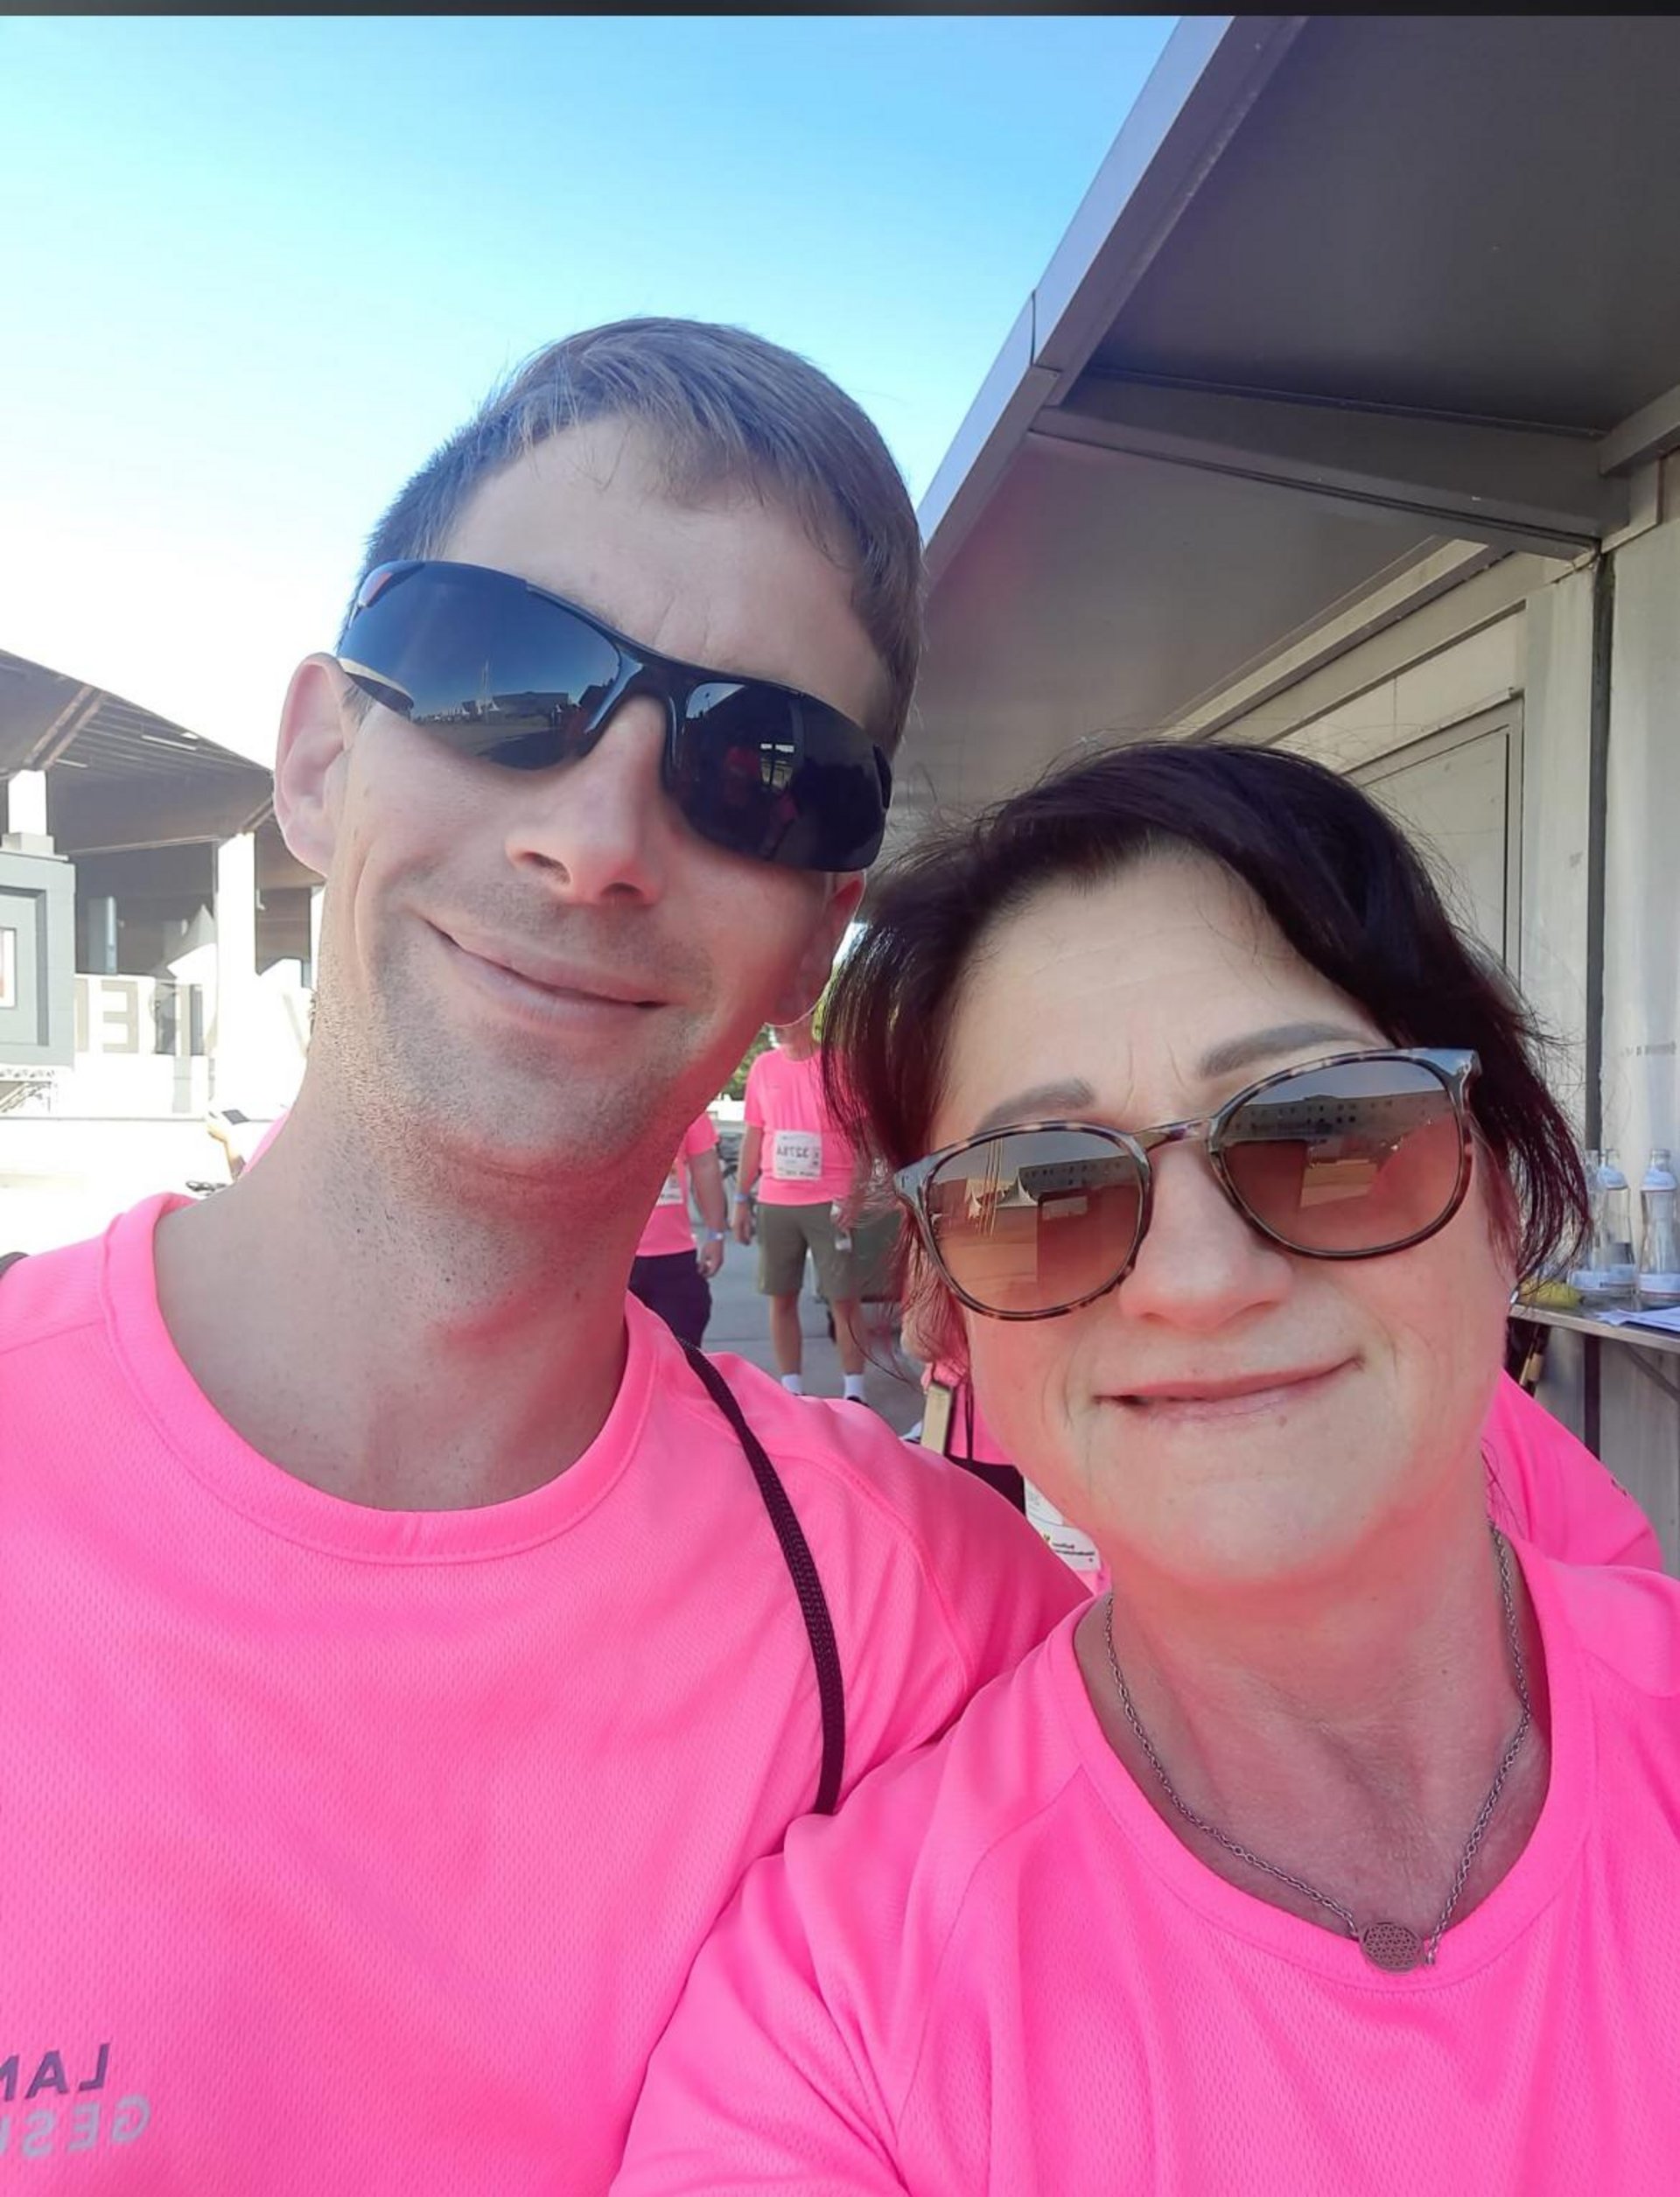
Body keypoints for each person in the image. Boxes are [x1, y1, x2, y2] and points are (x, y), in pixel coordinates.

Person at [0, 318, 1087, 2192]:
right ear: (319, 756)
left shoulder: (933, 1634)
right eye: (505, 678)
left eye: (758, 769)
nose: (595, 841)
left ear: (815, 939)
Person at [616, 743, 1680, 2194]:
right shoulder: (838, 2025)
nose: (1196, 1280)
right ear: (949, 1314)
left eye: (1323, 1126)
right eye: (1038, 1189)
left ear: (1500, 1197)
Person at [732, 1009, 870, 1401]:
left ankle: (855, 1390)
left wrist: (857, 1194)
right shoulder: (763, 1067)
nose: (779, 1025)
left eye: (788, 1017)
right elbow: (754, 1136)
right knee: (781, 1295)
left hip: (830, 1201)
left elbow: (863, 1137)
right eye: (773, 1019)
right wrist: (741, 1198)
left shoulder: (838, 1066)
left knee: (843, 1298)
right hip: (777, 1201)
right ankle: (791, 1389)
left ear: (808, 1017)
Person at [629, 1109, 728, 1347]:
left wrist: (716, 1233)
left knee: (681, 1347)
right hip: (613, 1259)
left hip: (673, 1255)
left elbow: (705, 1165)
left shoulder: (685, 1099)